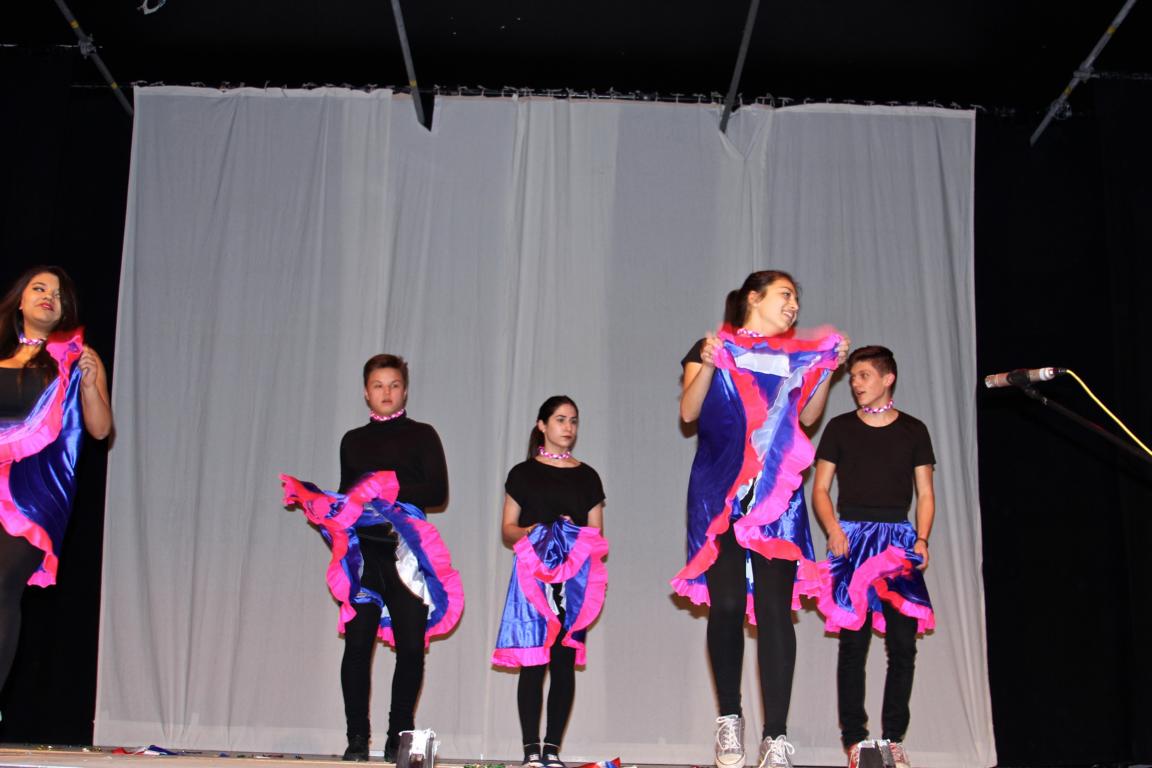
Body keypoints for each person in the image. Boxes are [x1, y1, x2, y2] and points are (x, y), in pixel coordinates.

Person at [671, 270, 849, 768]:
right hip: (720, 491)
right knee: (727, 603)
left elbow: (808, 417)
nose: (794, 305)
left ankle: (776, 737)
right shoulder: (713, 347)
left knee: (774, 610)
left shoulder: (794, 356)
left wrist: (826, 370)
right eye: (785, 295)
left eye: (796, 298)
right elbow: (689, 412)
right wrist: (708, 364)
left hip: (777, 495)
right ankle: (729, 720)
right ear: (754, 298)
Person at [280, 354, 462, 762]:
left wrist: (385, 487)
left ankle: (399, 736)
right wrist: (324, 509)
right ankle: (357, 738)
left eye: (394, 385)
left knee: (411, 647)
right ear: (366, 392)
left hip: (406, 550)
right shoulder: (353, 440)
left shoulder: (422, 435)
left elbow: (438, 492)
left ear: (405, 390)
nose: (386, 392)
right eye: (378, 385)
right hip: (364, 552)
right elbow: (348, 497)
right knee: (358, 645)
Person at [811, 345, 935, 768]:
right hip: (854, 540)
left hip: (897, 541)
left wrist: (922, 539)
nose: (856, 384)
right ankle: (856, 741)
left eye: (863, 375)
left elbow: (925, 493)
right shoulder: (840, 428)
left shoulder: (914, 430)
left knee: (902, 644)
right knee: (854, 645)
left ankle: (893, 739)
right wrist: (834, 529)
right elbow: (820, 489)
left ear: (887, 378)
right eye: (853, 377)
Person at [0, 265, 112, 693]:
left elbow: (100, 430)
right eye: (39, 288)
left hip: (35, 492)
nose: (50, 296)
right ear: (20, 301)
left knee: (4, 583)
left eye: (59, 293)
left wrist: (90, 384)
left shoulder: (75, 358)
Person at [492, 396, 607, 768]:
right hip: (533, 577)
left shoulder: (587, 476)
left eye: (573, 420)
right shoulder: (523, 474)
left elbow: (597, 534)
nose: (568, 427)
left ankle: (552, 749)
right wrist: (535, 531)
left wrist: (572, 535)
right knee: (533, 662)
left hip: (573, 581)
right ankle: (530, 750)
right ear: (542, 425)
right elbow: (508, 529)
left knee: (563, 661)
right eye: (560, 419)